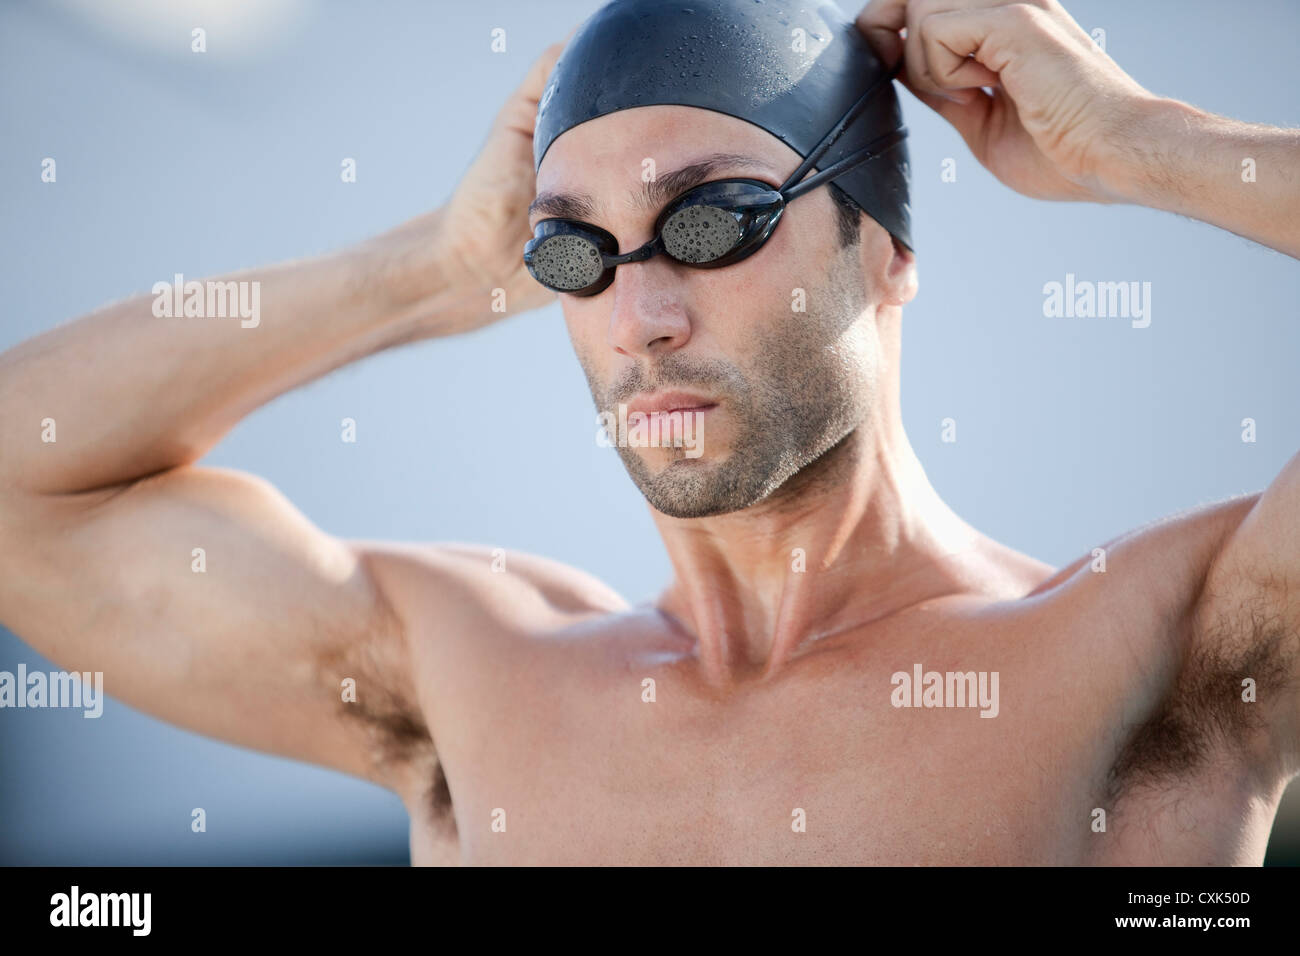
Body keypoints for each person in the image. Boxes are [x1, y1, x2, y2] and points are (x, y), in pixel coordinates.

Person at [1, 0, 1296, 865]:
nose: (643, 316)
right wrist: (434, 273)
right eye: (574, 250)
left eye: (714, 220)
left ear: (884, 252)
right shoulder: (475, 686)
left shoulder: (1156, 656)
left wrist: (1140, 143)